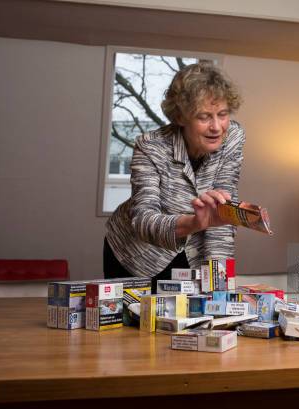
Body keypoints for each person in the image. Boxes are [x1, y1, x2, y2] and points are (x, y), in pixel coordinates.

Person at [104, 62, 245, 293]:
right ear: (180, 116)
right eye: (204, 117)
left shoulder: (233, 137)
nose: (217, 127)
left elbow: (222, 213)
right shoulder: (150, 146)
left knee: (199, 319)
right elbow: (143, 220)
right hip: (137, 254)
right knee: (136, 326)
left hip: (193, 256)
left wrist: (221, 287)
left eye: (223, 114)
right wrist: (195, 223)